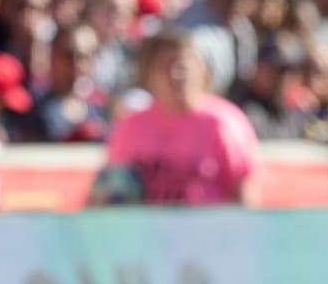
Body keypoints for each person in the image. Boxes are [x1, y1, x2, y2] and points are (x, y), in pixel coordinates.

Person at [97, 28, 261, 206]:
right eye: (164, 67)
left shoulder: (223, 122)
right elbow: (109, 189)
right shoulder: (131, 126)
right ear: (147, 75)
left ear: (202, 69)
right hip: (149, 223)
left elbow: (244, 190)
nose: (174, 75)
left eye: (181, 65)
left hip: (207, 223)